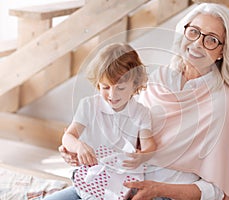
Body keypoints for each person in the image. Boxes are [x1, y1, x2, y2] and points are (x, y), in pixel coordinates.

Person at [58, 2, 229, 200]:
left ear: (222, 52)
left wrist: (157, 189)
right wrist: (77, 148)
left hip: (167, 194)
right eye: (194, 32)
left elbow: (217, 191)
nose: (198, 43)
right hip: (117, 181)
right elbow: (128, 132)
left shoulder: (223, 103)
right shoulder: (160, 78)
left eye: (212, 39)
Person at [44, 43, 157, 200]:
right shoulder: (89, 105)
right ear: (98, 83)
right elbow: (68, 137)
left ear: (135, 84)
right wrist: (79, 146)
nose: (112, 95)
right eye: (105, 87)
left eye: (121, 88)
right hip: (88, 182)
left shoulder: (141, 113)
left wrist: (142, 156)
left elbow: (149, 144)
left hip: (119, 185)